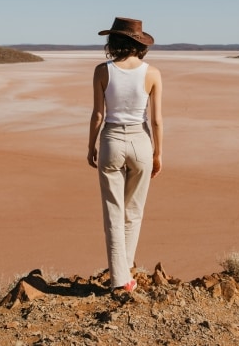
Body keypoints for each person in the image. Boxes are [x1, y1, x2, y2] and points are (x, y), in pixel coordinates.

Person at [87, 17, 163, 294]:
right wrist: (158, 154)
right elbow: (156, 121)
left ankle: (120, 276)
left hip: (111, 141)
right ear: (139, 43)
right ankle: (124, 271)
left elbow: (98, 115)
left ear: (115, 41)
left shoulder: (101, 71)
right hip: (141, 142)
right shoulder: (152, 73)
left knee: (113, 211)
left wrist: (90, 145)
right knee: (134, 211)